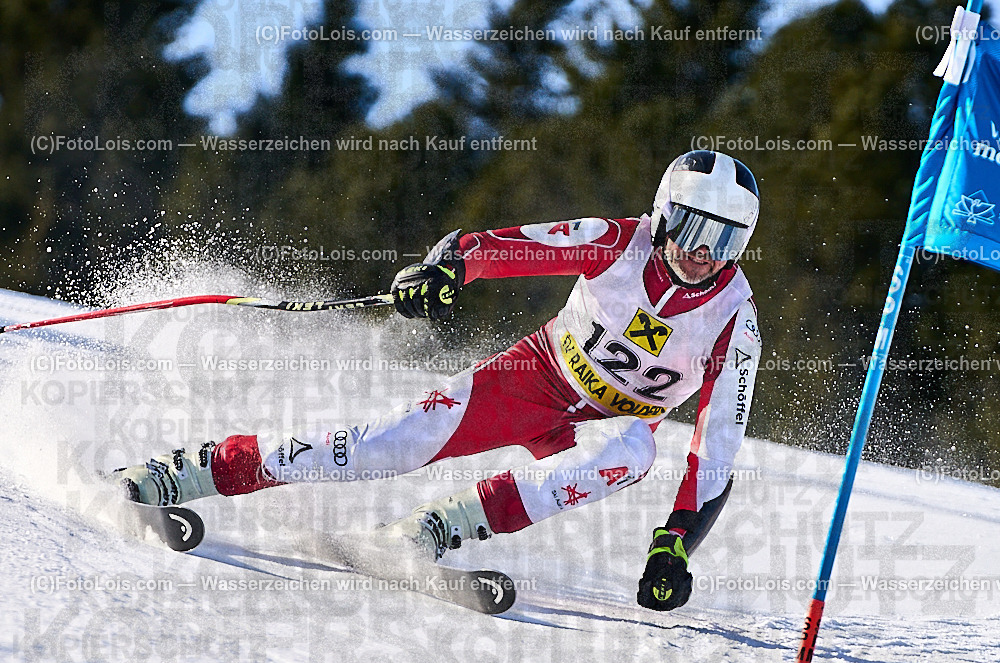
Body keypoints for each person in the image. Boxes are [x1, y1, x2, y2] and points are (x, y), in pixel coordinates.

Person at [116, 150, 762, 612]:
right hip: (533, 376)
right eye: (696, 228)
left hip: (609, 422)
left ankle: (429, 531)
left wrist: (675, 541)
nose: (704, 252)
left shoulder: (734, 319)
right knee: (381, 446)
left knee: (633, 450)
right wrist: (448, 270)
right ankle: (197, 468)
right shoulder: (620, 242)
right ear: (665, 214)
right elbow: (505, 247)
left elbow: (718, 446)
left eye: (726, 240)